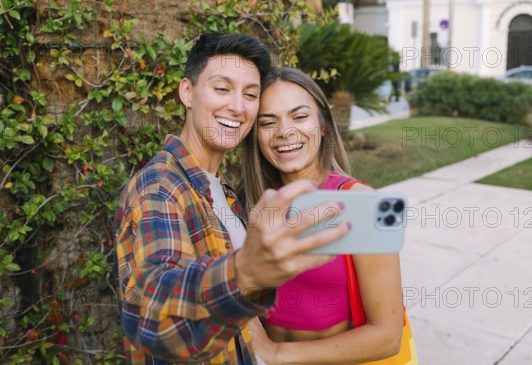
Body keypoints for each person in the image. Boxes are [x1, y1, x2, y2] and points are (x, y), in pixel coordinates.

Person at [113, 34, 350, 364]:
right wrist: (245, 272)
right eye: (222, 89)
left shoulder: (224, 194)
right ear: (187, 92)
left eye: (250, 95)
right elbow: (156, 320)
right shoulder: (160, 189)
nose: (237, 107)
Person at [241, 67, 405, 364]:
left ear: (324, 124)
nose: (285, 132)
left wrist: (276, 353)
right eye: (268, 122)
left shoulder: (361, 204)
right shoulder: (252, 203)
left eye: (300, 116)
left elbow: (387, 336)